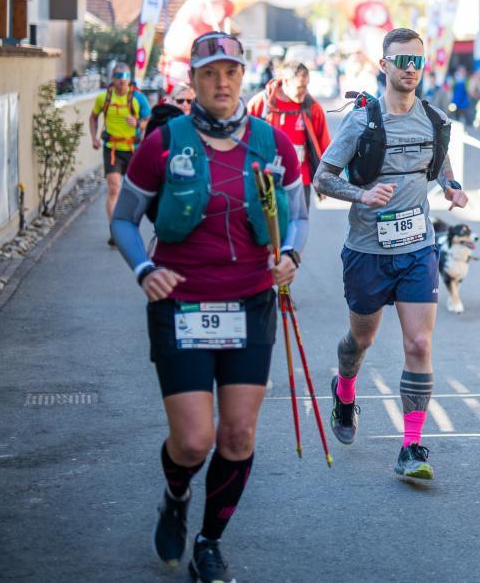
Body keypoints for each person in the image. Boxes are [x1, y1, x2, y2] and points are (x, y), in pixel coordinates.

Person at [110, 32, 308, 583]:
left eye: (231, 72)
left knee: (238, 435)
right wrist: (145, 269)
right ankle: (176, 495)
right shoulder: (164, 143)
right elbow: (124, 219)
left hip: (250, 302)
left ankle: (209, 542)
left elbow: (299, 215)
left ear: (243, 76)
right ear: (193, 80)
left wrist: (290, 254)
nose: (222, 83)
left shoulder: (273, 144)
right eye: (209, 73)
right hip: (181, 304)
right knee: (194, 439)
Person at [313, 28, 469, 480]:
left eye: (416, 61)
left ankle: (412, 446)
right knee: (359, 340)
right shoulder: (361, 122)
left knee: (419, 344)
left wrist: (453, 190)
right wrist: (361, 196)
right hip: (367, 251)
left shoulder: (436, 120)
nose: (410, 68)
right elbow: (323, 178)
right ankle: (344, 391)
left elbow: (440, 167)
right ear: (383, 65)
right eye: (400, 60)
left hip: (417, 248)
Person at [247, 61, 332, 210]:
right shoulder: (261, 104)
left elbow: (325, 144)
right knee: (268, 229)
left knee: (298, 227)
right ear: (285, 81)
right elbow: (244, 139)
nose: (305, 92)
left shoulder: (312, 107)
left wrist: (326, 178)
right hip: (266, 178)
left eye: (307, 86)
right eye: (300, 87)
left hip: (300, 180)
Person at [90, 65, 150, 243]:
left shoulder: (138, 98)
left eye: (125, 76)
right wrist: (94, 138)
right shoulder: (104, 97)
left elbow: (148, 119)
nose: (122, 79)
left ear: (129, 78)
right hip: (112, 148)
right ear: (112, 78)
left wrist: (138, 123)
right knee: (114, 187)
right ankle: (115, 232)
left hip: (133, 150)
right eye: (118, 76)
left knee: (132, 192)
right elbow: (93, 117)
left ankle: (129, 227)